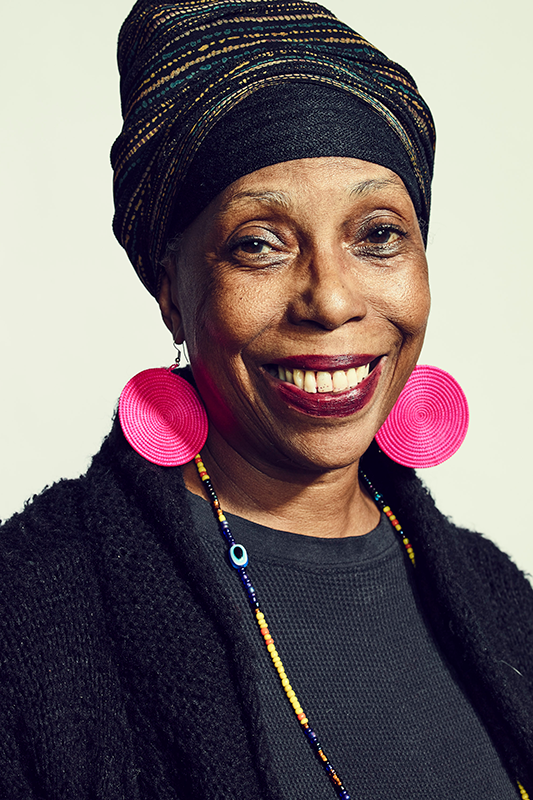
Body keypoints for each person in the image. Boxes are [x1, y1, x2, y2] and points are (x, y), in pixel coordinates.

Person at [1, 1, 532, 798]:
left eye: (378, 234)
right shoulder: (31, 616)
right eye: (259, 243)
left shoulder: (499, 599)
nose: (328, 299)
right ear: (171, 295)